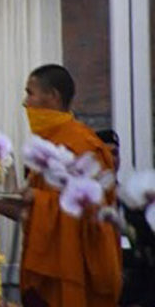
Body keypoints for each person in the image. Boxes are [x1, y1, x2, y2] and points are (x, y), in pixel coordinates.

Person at [0, 65, 121, 307]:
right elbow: (32, 215)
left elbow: (92, 216)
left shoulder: (83, 145)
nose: (26, 103)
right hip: (45, 277)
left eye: (30, 93)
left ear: (53, 96)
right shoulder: (47, 146)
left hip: (78, 274)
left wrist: (37, 197)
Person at [95, 129, 155, 307]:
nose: (110, 159)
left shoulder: (131, 203)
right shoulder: (85, 204)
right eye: (104, 153)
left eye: (114, 153)